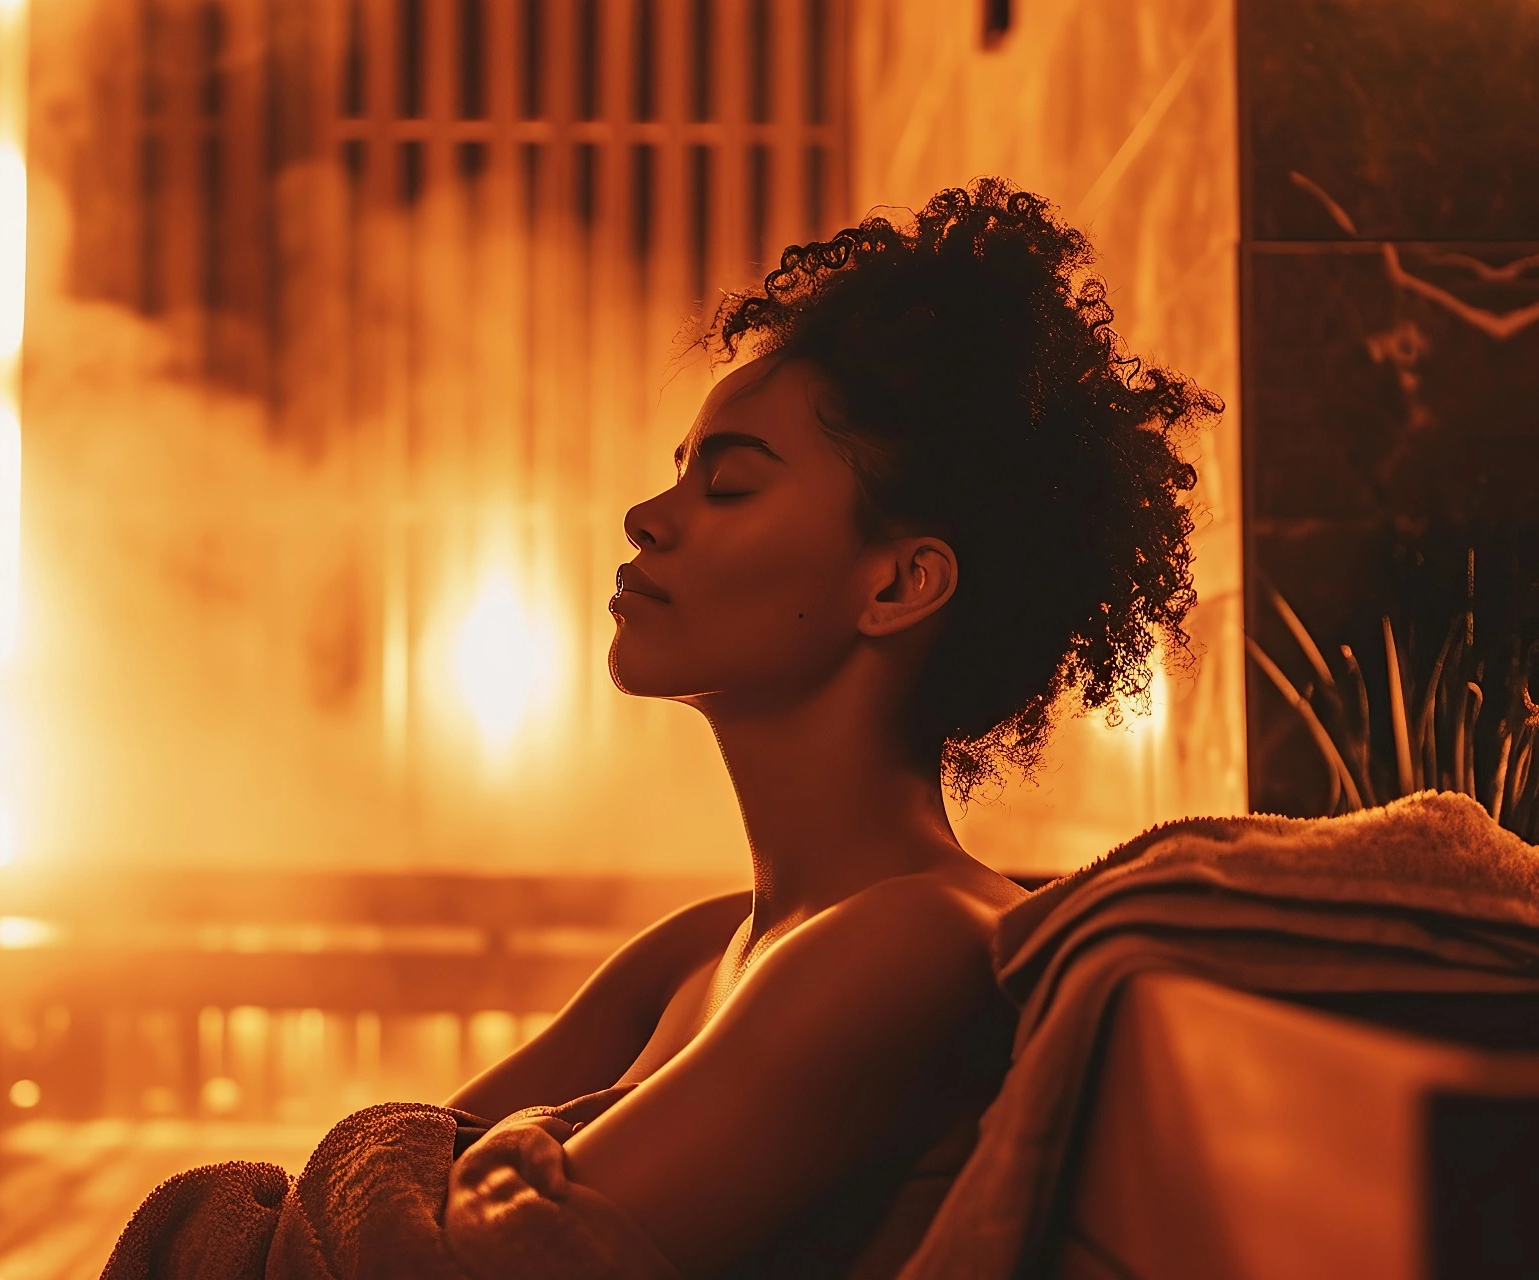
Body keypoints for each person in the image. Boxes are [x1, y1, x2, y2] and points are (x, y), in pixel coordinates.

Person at [444, 179, 1220, 1276]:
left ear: (900, 583)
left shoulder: (918, 938)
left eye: (728, 485)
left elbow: (483, 1260)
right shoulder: (697, 948)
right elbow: (386, 1183)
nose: (648, 517)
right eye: (680, 473)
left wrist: (491, 1168)